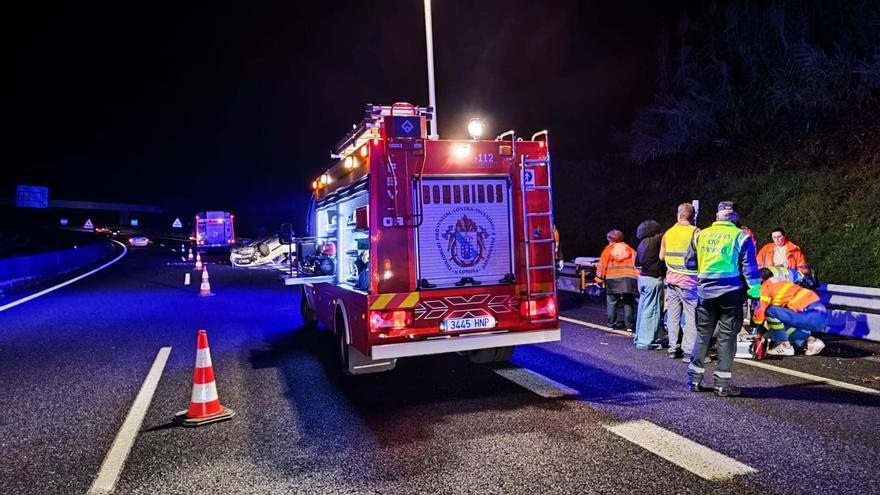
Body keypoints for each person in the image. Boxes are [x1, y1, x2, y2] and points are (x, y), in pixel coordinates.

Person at [687, 201, 761, 397]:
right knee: (727, 338)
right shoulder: (741, 237)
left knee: (703, 335)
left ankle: (694, 380)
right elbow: (750, 269)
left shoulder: (700, 235)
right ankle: (722, 384)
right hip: (731, 293)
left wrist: (705, 273)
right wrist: (755, 293)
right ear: (735, 217)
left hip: (705, 293)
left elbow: (690, 264)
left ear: (717, 215)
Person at [752, 268, 827, 356]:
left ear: (760, 279)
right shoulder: (781, 282)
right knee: (784, 327)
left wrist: (754, 328)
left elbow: (761, 311)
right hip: (819, 315)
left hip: (809, 313)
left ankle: (785, 346)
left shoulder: (766, 286)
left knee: (771, 311)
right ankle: (812, 343)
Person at [659, 203, 699, 360]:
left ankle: (673, 348)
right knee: (691, 317)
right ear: (693, 217)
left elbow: (662, 257)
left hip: (671, 280)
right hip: (689, 281)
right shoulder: (696, 232)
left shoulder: (668, 233)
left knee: (673, 315)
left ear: (678, 215)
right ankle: (688, 351)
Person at [595, 229, 638, 331]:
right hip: (628, 279)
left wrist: (599, 280)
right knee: (628, 303)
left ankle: (612, 324)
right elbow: (636, 263)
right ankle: (629, 326)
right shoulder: (630, 250)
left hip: (612, 279)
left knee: (612, 302)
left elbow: (602, 266)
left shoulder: (608, 250)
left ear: (610, 239)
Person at [634, 220, 666, 350]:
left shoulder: (641, 244)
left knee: (642, 309)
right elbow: (667, 234)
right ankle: (646, 341)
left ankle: (639, 337)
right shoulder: (655, 241)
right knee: (651, 310)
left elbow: (637, 262)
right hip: (653, 278)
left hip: (642, 278)